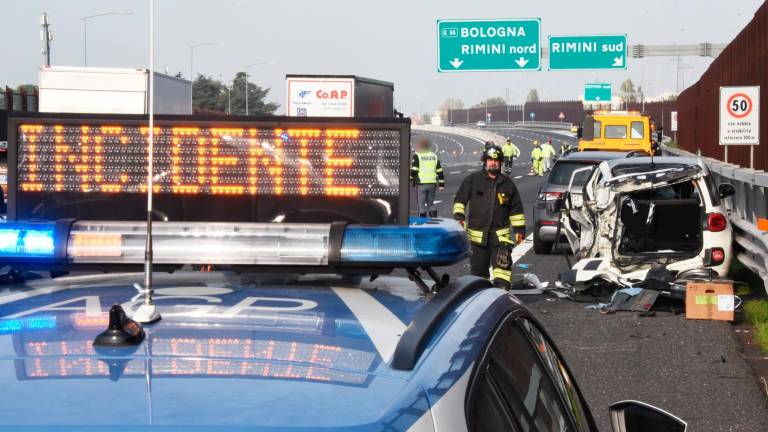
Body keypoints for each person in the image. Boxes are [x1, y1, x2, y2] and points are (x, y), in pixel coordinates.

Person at [453, 145, 526, 289]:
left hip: (501, 237)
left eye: (496, 161)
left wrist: (520, 230)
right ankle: (482, 302)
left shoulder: (508, 184)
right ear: (485, 162)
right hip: (477, 237)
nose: (493, 163)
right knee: (478, 276)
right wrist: (459, 216)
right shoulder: (472, 180)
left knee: (503, 272)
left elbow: (516, 209)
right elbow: (460, 199)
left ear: (500, 163)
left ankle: (501, 295)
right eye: (490, 160)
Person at [410, 137, 445, 217]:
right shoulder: (434, 156)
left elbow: (414, 170)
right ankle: (434, 221)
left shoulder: (417, 156)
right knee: (431, 204)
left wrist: (410, 179)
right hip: (432, 183)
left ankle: (423, 224)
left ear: (420, 146)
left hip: (421, 184)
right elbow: (439, 170)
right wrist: (441, 185)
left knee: (421, 205)